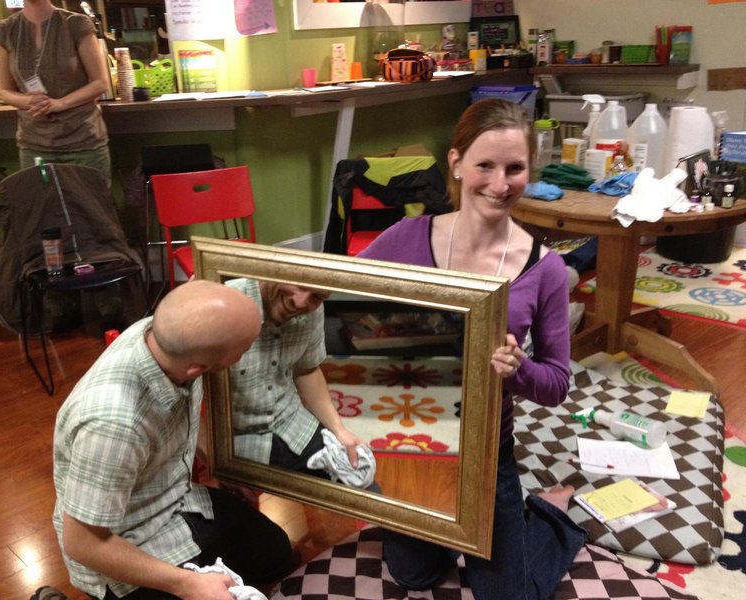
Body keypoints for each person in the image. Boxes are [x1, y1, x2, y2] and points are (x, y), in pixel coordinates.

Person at [359, 98, 587, 599]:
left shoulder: (544, 269)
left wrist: (518, 368)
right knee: (414, 574)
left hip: (488, 453)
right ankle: (453, 530)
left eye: (514, 168)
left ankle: (549, 513)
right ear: (457, 163)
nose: (500, 184)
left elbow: (557, 385)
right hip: (415, 441)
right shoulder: (406, 236)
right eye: (485, 165)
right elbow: (343, 301)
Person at [52, 280, 293, 600]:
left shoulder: (162, 336)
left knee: (276, 555)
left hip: (178, 499)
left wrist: (221, 466)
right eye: (245, 349)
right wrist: (187, 584)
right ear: (198, 368)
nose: (246, 355)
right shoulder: (113, 426)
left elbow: (186, 424)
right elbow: (83, 543)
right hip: (124, 539)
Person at [225, 278, 369, 480]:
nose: (301, 302)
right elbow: (183, 405)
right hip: (233, 438)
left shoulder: (312, 310)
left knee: (361, 483)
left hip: (290, 423)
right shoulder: (224, 303)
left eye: (317, 296)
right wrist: (214, 461)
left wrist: (339, 430)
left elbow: (307, 370)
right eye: (298, 283)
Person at [0, 0, 111, 183]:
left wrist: (59, 104)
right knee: (42, 208)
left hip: (83, 139)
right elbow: (6, 90)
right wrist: (29, 101)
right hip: (34, 143)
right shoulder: (4, 30)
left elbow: (100, 82)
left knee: (90, 208)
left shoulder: (76, 23)